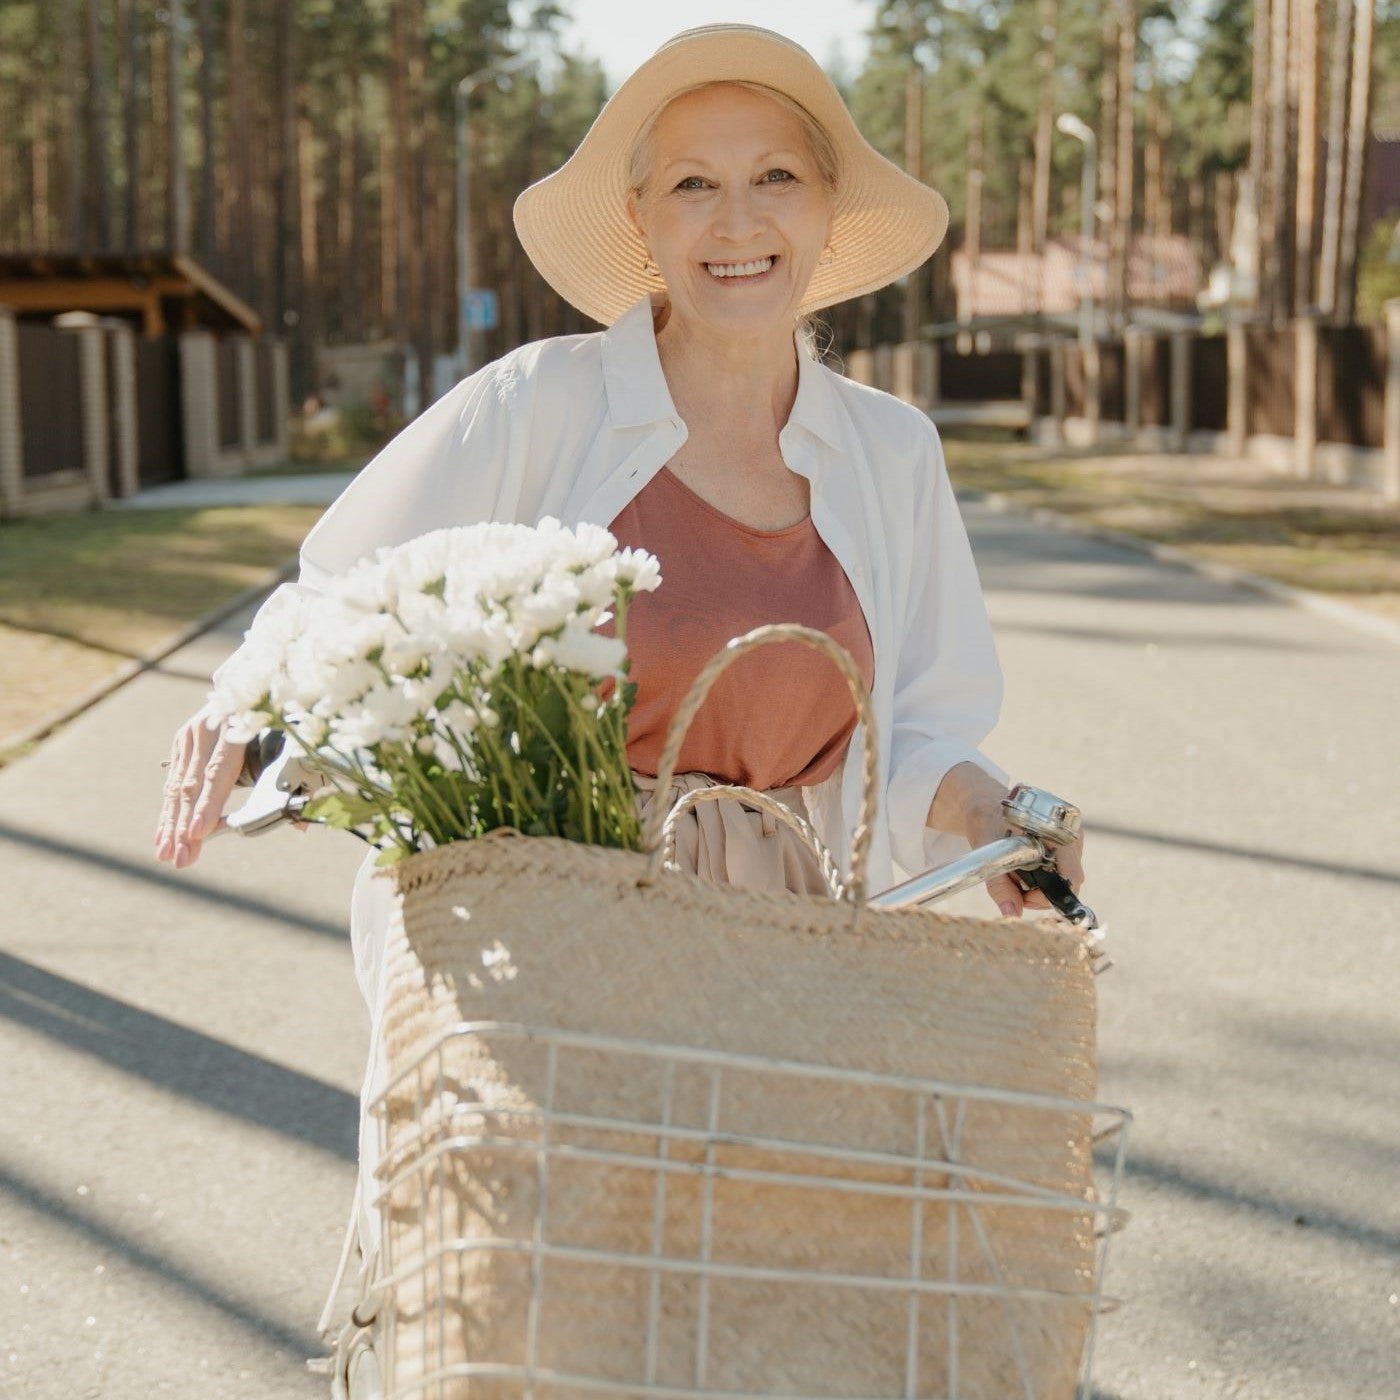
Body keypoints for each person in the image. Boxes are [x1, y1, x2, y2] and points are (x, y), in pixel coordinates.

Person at [154, 17, 1083, 1268]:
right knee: (525, 1293)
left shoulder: (892, 453)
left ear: (822, 217)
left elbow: (915, 725)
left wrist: (994, 810)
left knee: (733, 1309)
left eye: (774, 180)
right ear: (641, 219)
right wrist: (242, 703)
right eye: (693, 183)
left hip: (779, 948)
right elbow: (339, 589)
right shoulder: (540, 402)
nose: (734, 219)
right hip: (538, 930)